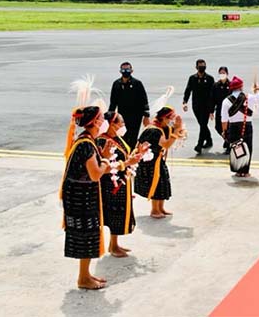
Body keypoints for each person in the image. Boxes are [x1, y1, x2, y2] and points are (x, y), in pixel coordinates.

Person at [61, 104, 114, 290]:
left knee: (88, 235)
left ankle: (86, 274)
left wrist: (104, 157)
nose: (104, 121)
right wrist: (106, 160)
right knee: (86, 235)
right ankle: (83, 278)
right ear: (95, 122)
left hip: (81, 195)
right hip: (80, 198)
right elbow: (96, 174)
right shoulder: (86, 144)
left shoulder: (86, 141)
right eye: (101, 118)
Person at [97, 111, 147, 258]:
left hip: (122, 180)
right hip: (110, 184)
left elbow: (126, 157)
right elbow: (105, 164)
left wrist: (138, 154)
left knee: (120, 213)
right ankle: (112, 246)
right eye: (120, 122)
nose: (123, 125)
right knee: (115, 214)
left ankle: (115, 244)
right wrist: (126, 163)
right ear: (111, 124)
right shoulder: (103, 141)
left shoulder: (117, 138)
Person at [135, 105, 184, 218]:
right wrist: (176, 130)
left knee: (163, 182)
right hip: (149, 162)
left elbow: (175, 136)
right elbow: (166, 144)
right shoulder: (154, 130)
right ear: (164, 118)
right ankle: (154, 210)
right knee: (156, 184)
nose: (172, 120)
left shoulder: (164, 127)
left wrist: (178, 129)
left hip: (158, 159)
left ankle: (161, 208)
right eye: (170, 118)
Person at [221, 76, 259, 177]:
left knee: (236, 148)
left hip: (233, 127)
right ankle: (246, 170)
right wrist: (257, 90)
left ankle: (238, 170)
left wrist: (224, 131)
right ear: (241, 87)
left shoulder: (226, 101)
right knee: (247, 147)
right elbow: (258, 97)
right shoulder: (250, 97)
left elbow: (224, 119)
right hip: (246, 126)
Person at [108, 62, 150, 149]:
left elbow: (144, 99)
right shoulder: (116, 84)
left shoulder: (137, 83)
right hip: (122, 116)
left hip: (136, 116)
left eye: (127, 69)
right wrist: (110, 116)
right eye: (123, 70)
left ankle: (131, 154)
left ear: (131, 71)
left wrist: (146, 116)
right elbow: (113, 102)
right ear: (120, 71)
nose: (125, 71)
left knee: (133, 136)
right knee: (122, 136)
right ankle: (124, 154)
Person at [183, 59, 214, 154]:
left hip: (206, 106)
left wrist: (212, 108)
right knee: (202, 124)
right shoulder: (192, 78)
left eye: (203, 66)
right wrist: (185, 102)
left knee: (203, 125)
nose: (202, 67)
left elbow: (213, 94)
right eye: (200, 66)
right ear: (196, 67)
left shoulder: (210, 79)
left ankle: (199, 145)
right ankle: (209, 140)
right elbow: (188, 90)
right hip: (196, 106)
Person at [210, 66, 231, 153]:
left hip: (229, 110)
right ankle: (226, 139)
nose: (222, 74)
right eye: (221, 73)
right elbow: (212, 99)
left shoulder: (231, 85)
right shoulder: (215, 85)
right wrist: (211, 111)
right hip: (219, 109)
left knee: (228, 127)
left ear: (227, 74)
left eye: (224, 73)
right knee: (218, 127)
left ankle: (229, 144)